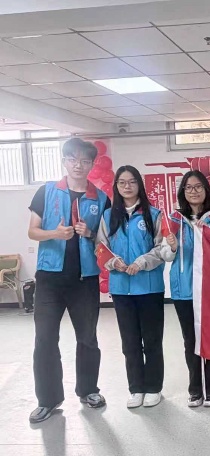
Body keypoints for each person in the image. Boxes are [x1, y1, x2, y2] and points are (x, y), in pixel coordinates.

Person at [27, 138, 110, 424]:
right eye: (73, 159)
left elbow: (106, 240)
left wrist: (89, 233)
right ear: (64, 161)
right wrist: (55, 233)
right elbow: (33, 231)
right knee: (45, 339)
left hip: (84, 281)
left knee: (87, 338)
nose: (78, 165)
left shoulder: (100, 198)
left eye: (85, 161)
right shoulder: (47, 191)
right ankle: (47, 400)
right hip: (49, 279)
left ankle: (89, 390)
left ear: (92, 164)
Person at [96, 166, 167, 409]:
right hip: (121, 290)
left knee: (152, 341)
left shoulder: (154, 214)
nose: (127, 186)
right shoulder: (108, 216)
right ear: (116, 186)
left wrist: (141, 262)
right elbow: (100, 247)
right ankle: (136, 388)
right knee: (130, 343)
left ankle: (154, 388)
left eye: (132, 181)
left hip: (149, 288)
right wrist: (113, 261)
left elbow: (161, 248)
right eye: (122, 182)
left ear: (140, 185)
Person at [163, 170, 210, 408]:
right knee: (190, 340)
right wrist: (171, 246)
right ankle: (195, 390)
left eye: (198, 186)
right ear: (183, 192)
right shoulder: (173, 219)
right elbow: (165, 254)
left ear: (206, 190)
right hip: (183, 289)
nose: (194, 191)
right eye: (189, 187)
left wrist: (209, 236)